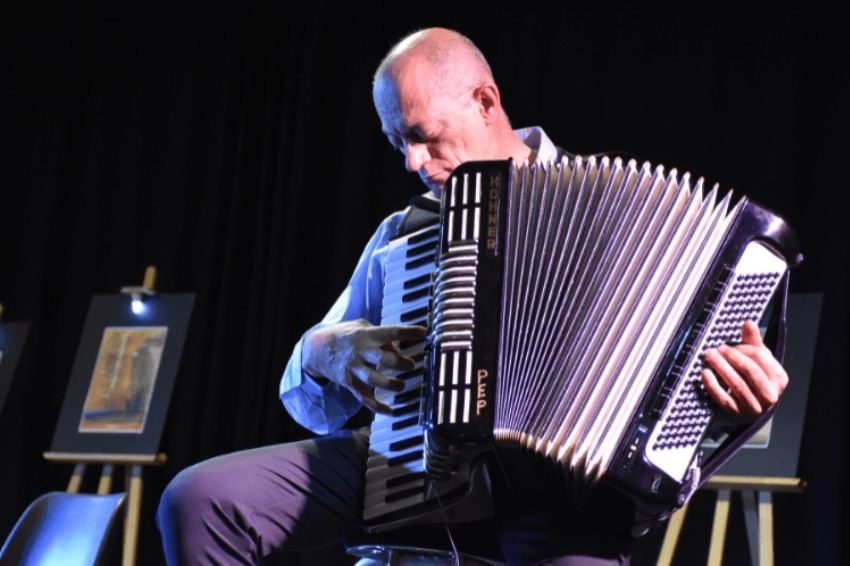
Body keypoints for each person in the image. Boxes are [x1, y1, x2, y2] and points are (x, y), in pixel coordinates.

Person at [157, 28, 789, 566]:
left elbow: (691, 418)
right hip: (413, 461)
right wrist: (326, 348)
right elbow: (307, 394)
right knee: (198, 500)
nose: (412, 161)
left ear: (486, 101)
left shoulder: (640, 221)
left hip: (566, 500)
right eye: (396, 142)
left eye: (423, 134)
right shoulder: (407, 233)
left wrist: (743, 407)